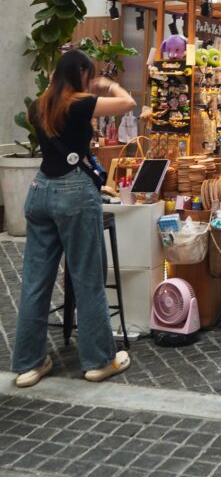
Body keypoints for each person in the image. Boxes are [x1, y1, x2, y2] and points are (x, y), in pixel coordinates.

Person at [12, 49, 137, 388]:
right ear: (81, 72)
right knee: (87, 277)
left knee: (35, 282)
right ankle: (99, 361)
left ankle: (28, 364)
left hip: (39, 192)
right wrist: (107, 84)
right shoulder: (79, 103)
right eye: (89, 73)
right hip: (75, 193)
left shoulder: (39, 105)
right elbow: (128, 103)